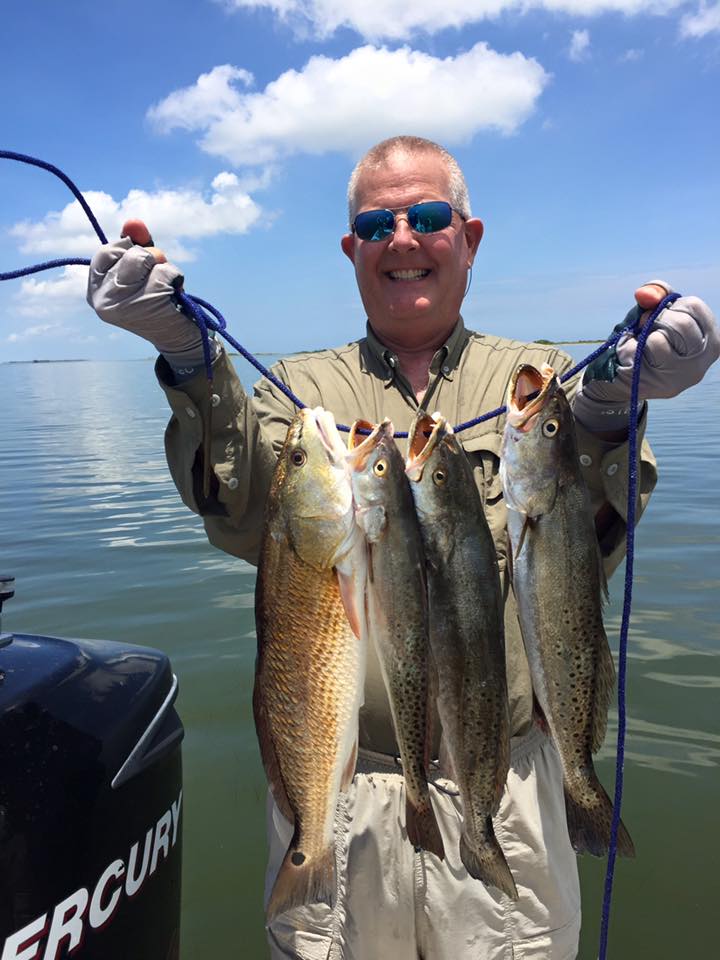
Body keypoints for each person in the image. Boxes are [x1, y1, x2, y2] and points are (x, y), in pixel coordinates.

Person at [88, 136, 719, 960]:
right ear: (351, 250)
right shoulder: (299, 392)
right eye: (375, 225)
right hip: (335, 786)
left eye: (427, 216)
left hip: (507, 785)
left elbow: (586, 545)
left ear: (470, 238)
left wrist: (609, 406)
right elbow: (241, 509)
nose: (402, 238)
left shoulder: (540, 377)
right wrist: (187, 354)